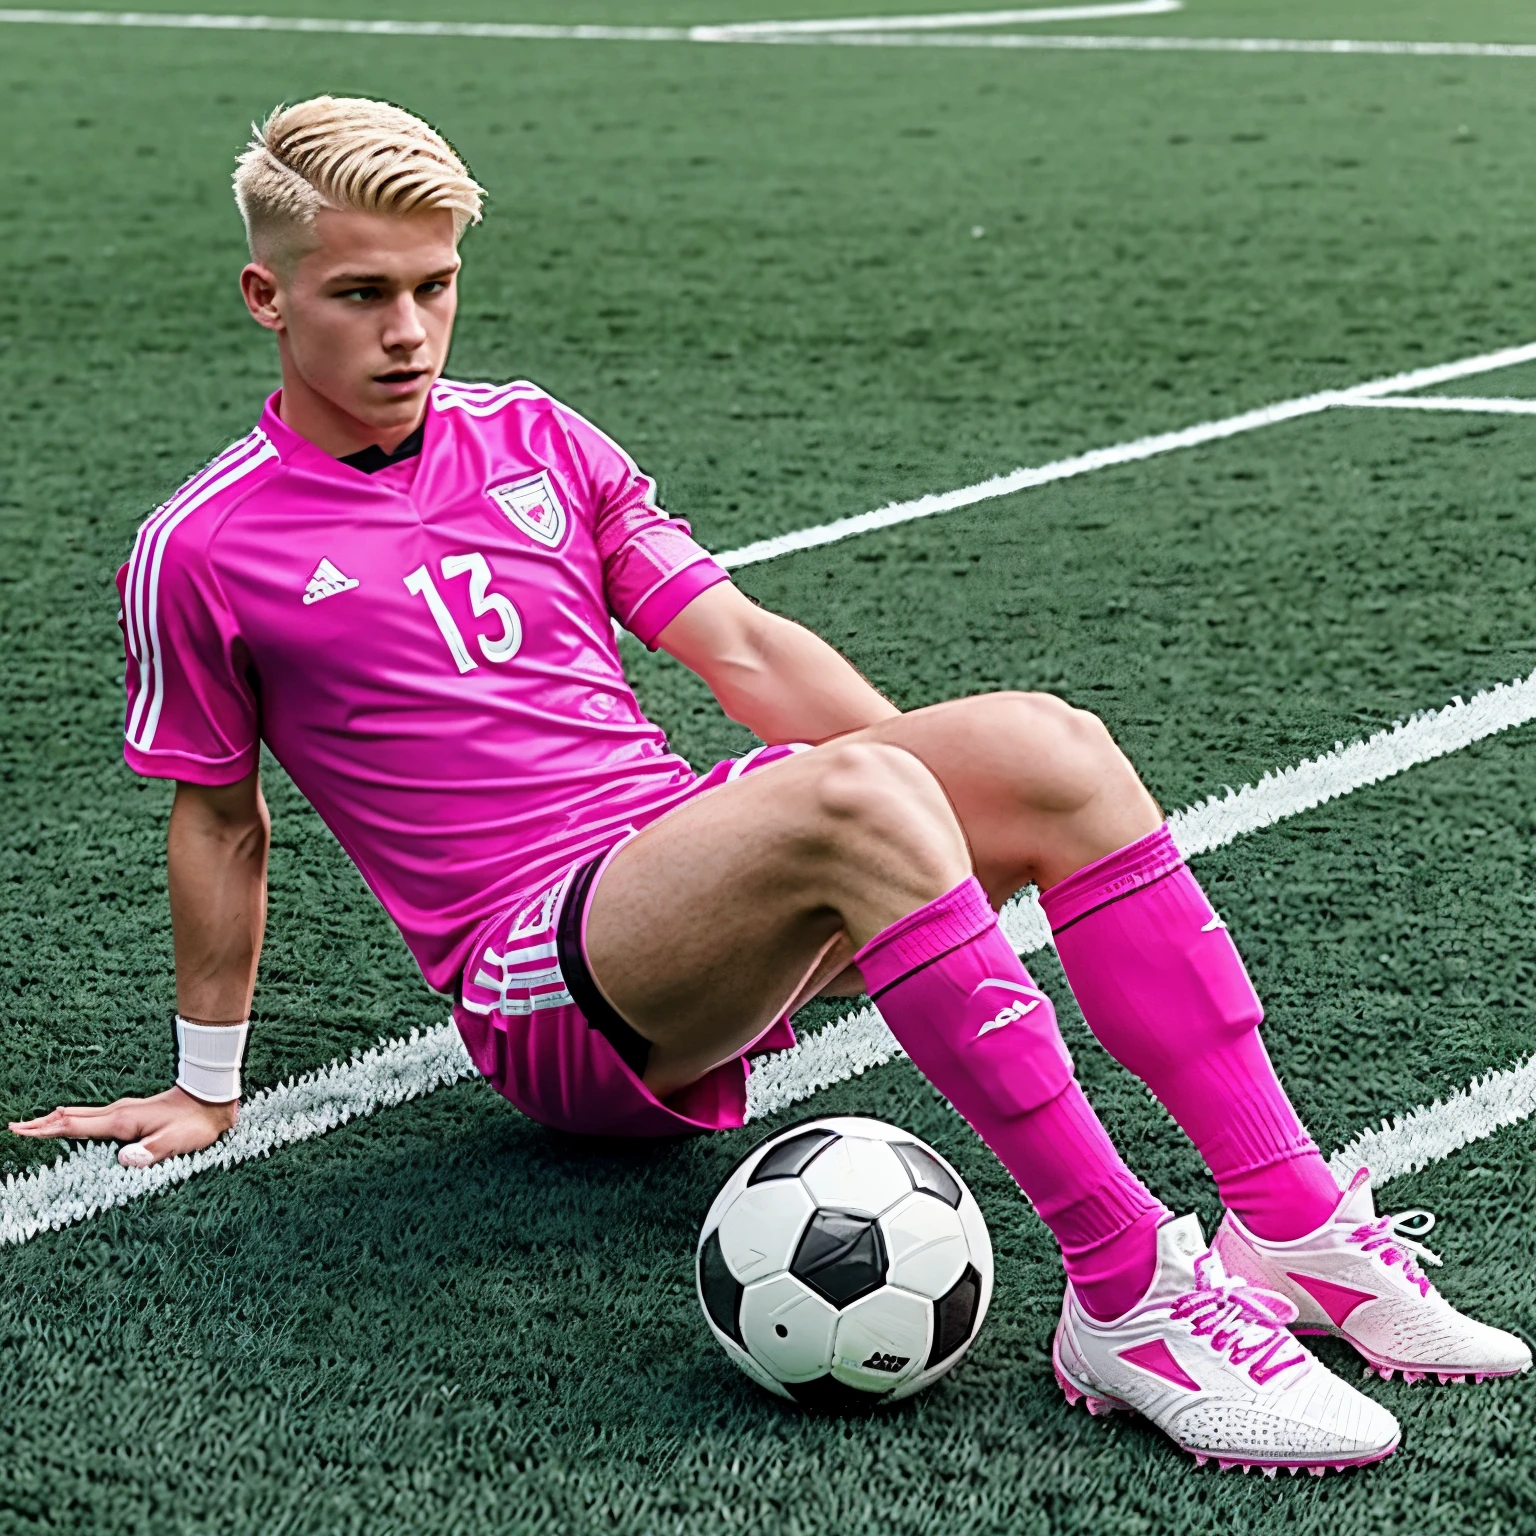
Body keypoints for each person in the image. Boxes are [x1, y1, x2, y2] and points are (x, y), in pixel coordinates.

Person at [11, 96, 1526, 1472]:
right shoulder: (202, 545)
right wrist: (207, 1088)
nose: (410, 330)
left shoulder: (536, 434)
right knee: (855, 803)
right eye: (362, 295)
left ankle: (1292, 1225)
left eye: (435, 286)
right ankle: (1126, 1294)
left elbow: (735, 646)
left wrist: (916, 803)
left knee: (1053, 747)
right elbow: (218, 816)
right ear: (267, 298)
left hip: (687, 868)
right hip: (540, 983)